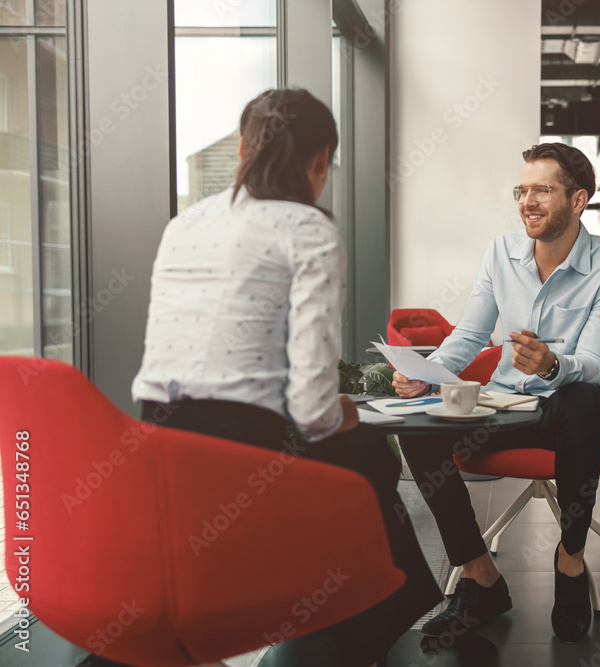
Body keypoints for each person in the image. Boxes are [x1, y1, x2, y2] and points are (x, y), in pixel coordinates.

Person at [131, 88, 441, 667]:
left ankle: (350, 615)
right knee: (372, 455)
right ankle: (355, 622)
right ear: (321, 162)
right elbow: (314, 410)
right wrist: (349, 409)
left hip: (159, 458)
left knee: (363, 460)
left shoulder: (186, 223)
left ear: (245, 148)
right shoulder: (308, 230)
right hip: (241, 463)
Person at [392, 142, 600, 643]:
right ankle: (481, 578)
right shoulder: (501, 252)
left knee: (584, 400)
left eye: (543, 190)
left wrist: (552, 365)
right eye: (522, 190)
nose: (528, 200)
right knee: (418, 429)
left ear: (578, 200)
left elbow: (593, 365)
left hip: (565, 411)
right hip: (504, 407)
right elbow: (471, 334)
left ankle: (570, 562)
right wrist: (427, 372)